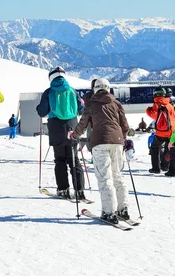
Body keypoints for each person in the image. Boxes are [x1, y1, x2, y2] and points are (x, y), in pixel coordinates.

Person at [70, 78, 130, 224]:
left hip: (100, 142)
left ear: (95, 89)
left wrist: (74, 135)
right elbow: (125, 126)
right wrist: (121, 138)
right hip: (117, 142)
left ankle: (109, 212)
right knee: (117, 176)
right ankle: (123, 210)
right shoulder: (116, 103)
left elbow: (83, 123)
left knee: (105, 178)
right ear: (108, 88)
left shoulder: (91, 104)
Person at [36, 66, 85, 199]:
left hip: (56, 128)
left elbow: (42, 112)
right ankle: (79, 191)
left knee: (60, 160)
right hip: (72, 127)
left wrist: (38, 107)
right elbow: (81, 108)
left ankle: (63, 189)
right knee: (74, 160)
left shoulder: (48, 92)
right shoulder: (72, 91)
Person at [146, 86, 175, 175]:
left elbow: (153, 115)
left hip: (160, 133)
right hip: (171, 131)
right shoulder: (170, 105)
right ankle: (166, 166)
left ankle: (156, 168)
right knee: (170, 149)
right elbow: (174, 118)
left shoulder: (156, 104)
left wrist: (148, 110)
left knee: (155, 148)